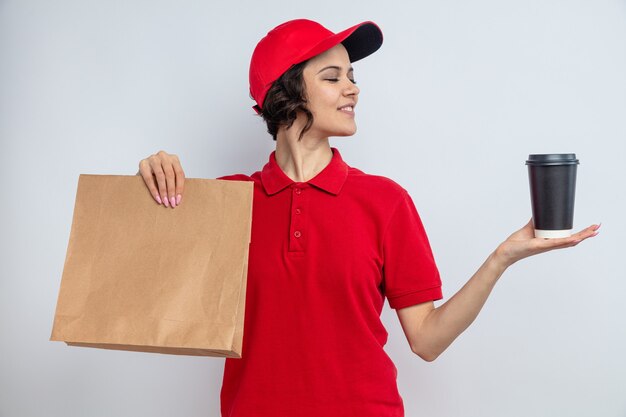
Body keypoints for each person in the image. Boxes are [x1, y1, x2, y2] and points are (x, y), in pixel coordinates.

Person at [136, 19, 599, 417]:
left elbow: (427, 341)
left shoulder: (384, 202)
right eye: (333, 77)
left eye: (352, 76)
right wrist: (154, 183)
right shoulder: (224, 200)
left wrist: (503, 257)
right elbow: (143, 290)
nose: (353, 88)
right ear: (285, 91)